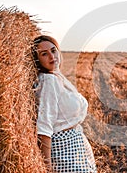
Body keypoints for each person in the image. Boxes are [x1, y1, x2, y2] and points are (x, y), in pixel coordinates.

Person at [32, 35, 97, 172]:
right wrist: (46, 167)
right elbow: (44, 127)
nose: (52, 56)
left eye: (53, 50)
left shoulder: (57, 77)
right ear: (37, 60)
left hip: (76, 148)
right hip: (63, 151)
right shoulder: (49, 81)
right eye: (44, 54)